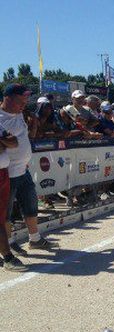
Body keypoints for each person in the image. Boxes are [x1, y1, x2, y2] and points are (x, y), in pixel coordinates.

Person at [0, 84, 54, 255]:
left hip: (23, 169)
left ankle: (35, 239)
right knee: (6, 212)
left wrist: (34, 124)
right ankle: (9, 243)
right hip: (8, 171)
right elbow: (9, 142)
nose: (24, 104)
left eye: (25, 101)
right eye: (20, 101)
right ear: (8, 98)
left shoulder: (20, 114)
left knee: (31, 205)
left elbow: (25, 138)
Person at [0, 121, 26, 271]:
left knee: (2, 216)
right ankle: (8, 257)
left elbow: (14, 142)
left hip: (3, 172)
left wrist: (3, 142)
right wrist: (4, 143)